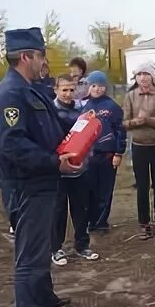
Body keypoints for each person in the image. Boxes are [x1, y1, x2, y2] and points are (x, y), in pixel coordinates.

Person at [0, 27, 80, 307]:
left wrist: (79, 131)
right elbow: (12, 146)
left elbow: (51, 127)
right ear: (26, 56)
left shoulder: (31, 89)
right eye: (40, 54)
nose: (44, 61)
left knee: (41, 247)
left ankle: (43, 297)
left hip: (42, 182)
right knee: (29, 256)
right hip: (26, 187)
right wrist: (55, 162)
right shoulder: (11, 94)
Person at [51, 74, 99, 266]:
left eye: (71, 89)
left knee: (81, 209)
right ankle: (56, 248)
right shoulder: (50, 110)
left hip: (80, 169)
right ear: (56, 90)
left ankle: (82, 245)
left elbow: (89, 136)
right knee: (58, 210)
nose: (68, 93)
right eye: (64, 90)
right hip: (58, 169)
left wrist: (86, 158)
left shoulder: (83, 109)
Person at [122, 63, 155, 240]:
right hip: (139, 147)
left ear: (153, 76)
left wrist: (148, 119)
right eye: (139, 74)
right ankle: (144, 224)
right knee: (142, 187)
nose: (143, 77)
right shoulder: (130, 96)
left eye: (146, 74)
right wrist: (138, 121)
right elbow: (125, 123)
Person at [83, 71, 126, 233]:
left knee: (105, 190)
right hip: (89, 156)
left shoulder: (112, 106)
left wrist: (118, 153)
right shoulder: (84, 106)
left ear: (105, 87)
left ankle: (101, 223)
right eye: (94, 86)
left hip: (107, 155)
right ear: (89, 87)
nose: (97, 89)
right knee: (89, 190)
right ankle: (90, 221)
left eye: (100, 86)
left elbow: (121, 131)